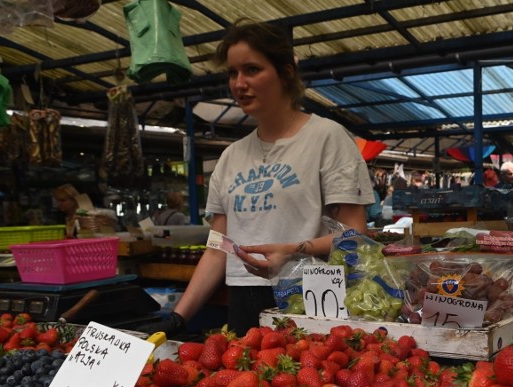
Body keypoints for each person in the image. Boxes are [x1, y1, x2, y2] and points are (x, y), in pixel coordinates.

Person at [145, 20, 372, 337]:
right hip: (243, 298)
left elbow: (356, 233)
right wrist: (177, 317)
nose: (239, 83)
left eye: (252, 69)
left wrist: (294, 250)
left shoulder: (327, 138)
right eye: (233, 73)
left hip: (311, 294)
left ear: (286, 72)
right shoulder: (231, 157)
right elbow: (217, 249)